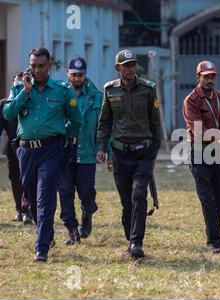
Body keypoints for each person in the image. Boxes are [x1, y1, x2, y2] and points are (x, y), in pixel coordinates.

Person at [3, 47, 82, 262]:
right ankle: (46, 233)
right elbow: (8, 113)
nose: (36, 70)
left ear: (50, 66)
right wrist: (24, 92)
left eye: (41, 66)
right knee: (29, 194)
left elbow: (76, 121)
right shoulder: (19, 87)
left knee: (45, 195)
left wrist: (65, 139)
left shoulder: (61, 90)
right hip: (26, 151)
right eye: (33, 66)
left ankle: (42, 248)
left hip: (51, 150)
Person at [97, 49, 161, 259]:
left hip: (142, 152)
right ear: (118, 68)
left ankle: (136, 242)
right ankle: (130, 231)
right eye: (126, 65)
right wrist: (101, 148)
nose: (130, 68)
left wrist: (153, 152)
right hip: (119, 153)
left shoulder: (148, 89)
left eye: (133, 64)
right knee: (127, 202)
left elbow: (155, 123)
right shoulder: (110, 90)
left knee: (139, 196)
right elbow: (104, 122)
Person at [183, 60, 220, 254]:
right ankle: (216, 241)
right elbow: (199, 133)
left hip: (219, 151)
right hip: (199, 151)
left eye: (213, 76)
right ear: (198, 78)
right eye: (206, 77)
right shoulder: (191, 100)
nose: (210, 80)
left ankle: (211, 228)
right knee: (207, 198)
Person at [58, 56, 103, 245]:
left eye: (81, 75)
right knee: (66, 191)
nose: (77, 78)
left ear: (85, 75)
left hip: (87, 152)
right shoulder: (60, 93)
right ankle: (71, 230)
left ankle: (88, 213)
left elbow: (102, 126)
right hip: (64, 152)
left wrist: (102, 148)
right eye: (74, 74)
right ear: (68, 73)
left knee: (86, 192)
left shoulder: (96, 96)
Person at [0, 73, 31, 224]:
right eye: (16, 83)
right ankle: (19, 209)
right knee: (15, 178)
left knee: (28, 178)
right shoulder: (4, 104)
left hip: (29, 147)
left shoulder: (31, 103)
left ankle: (27, 210)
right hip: (11, 149)